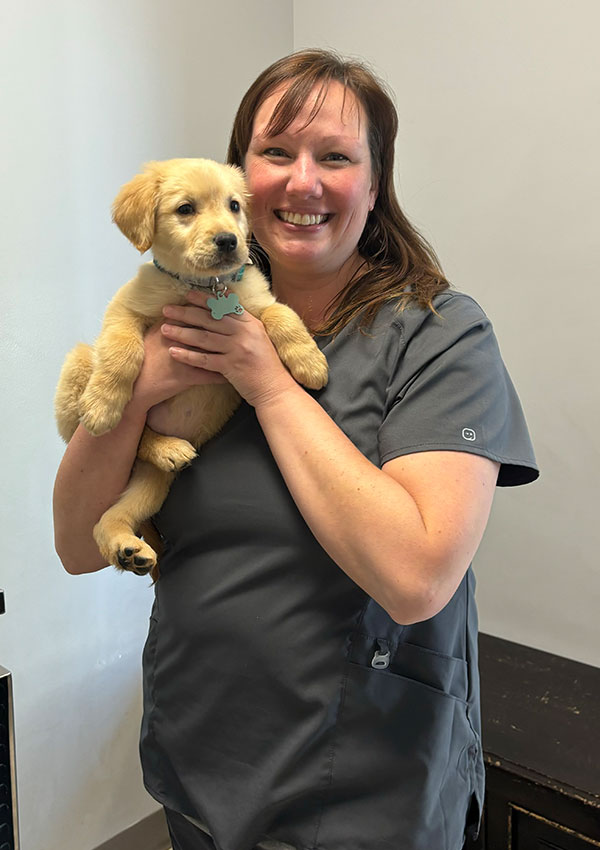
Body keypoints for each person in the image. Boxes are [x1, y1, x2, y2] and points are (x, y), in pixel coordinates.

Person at [53, 49, 539, 850]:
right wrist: (139, 389)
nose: (302, 182)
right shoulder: (175, 325)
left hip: (364, 792)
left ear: (375, 185)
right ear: (239, 178)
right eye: (276, 152)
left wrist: (270, 384)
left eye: (336, 157)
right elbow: (77, 544)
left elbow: (417, 577)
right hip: (201, 757)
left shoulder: (441, 335)